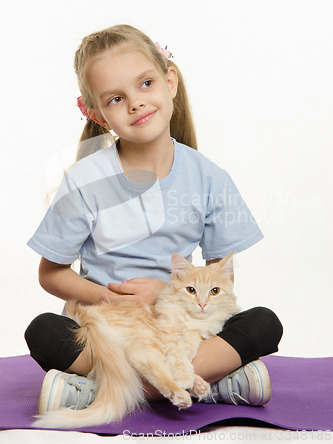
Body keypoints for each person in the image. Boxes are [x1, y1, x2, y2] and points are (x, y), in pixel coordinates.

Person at [25, 24, 283, 413]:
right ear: (96, 113)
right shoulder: (85, 180)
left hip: (181, 322)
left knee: (264, 323)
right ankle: (210, 383)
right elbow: (51, 274)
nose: (135, 103)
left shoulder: (209, 177)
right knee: (44, 332)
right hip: (113, 325)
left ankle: (104, 389)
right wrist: (108, 297)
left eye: (146, 84)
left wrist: (166, 292)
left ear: (170, 81)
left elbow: (220, 275)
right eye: (115, 98)